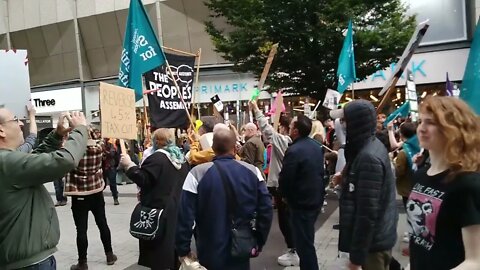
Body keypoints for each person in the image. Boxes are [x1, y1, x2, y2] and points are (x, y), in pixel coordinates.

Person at [0, 111, 88, 269]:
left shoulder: (8, 161)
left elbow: (35, 158)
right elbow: (65, 160)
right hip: (31, 264)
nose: (21, 123)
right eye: (15, 119)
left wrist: (57, 135)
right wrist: (80, 129)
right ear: (1, 130)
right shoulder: (6, 162)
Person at [176, 129, 273, 270]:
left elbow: (185, 215)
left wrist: (183, 248)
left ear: (213, 148)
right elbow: (266, 209)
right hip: (241, 244)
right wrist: (259, 240)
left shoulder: (197, 174)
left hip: (208, 246)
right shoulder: (253, 172)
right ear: (235, 148)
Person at [407, 96, 480, 270]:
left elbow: (475, 260)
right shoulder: (420, 176)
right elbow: (419, 241)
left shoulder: (468, 184)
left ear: (453, 130)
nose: (422, 129)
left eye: (431, 122)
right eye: (421, 121)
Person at [330, 100, 398, 270]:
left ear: (355, 123)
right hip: (374, 241)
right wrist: (345, 175)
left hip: (372, 247)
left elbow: (367, 213)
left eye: (345, 120)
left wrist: (357, 258)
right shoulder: (368, 147)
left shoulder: (368, 157)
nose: (342, 124)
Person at [120, 128, 190, 270]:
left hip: (157, 210)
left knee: (158, 253)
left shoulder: (156, 158)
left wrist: (129, 165)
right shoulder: (180, 158)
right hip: (175, 209)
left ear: (157, 142)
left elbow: (143, 179)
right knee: (172, 248)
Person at [250, 100, 298, 266]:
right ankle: (294, 248)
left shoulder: (284, 141)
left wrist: (256, 110)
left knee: (286, 221)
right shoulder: (302, 145)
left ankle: (293, 250)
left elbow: (267, 130)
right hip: (290, 186)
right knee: (288, 220)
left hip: (281, 186)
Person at [64, 128, 117, 270]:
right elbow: (101, 142)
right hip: (96, 192)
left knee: (81, 229)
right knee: (102, 224)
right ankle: (109, 255)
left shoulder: (72, 152)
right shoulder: (99, 149)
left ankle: (82, 262)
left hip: (79, 193)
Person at [278, 114, 325, 270]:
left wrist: (284, 196)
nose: (289, 129)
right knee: (306, 241)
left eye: (291, 126)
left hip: (301, 203)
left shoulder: (294, 151)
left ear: (296, 131)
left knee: (304, 246)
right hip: (314, 200)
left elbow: (286, 179)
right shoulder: (316, 147)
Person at [102, 137, 119, 205]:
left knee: (112, 183)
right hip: (102, 167)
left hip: (110, 167)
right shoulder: (99, 145)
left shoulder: (111, 145)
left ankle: (115, 197)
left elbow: (112, 154)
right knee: (102, 184)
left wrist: (104, 151)